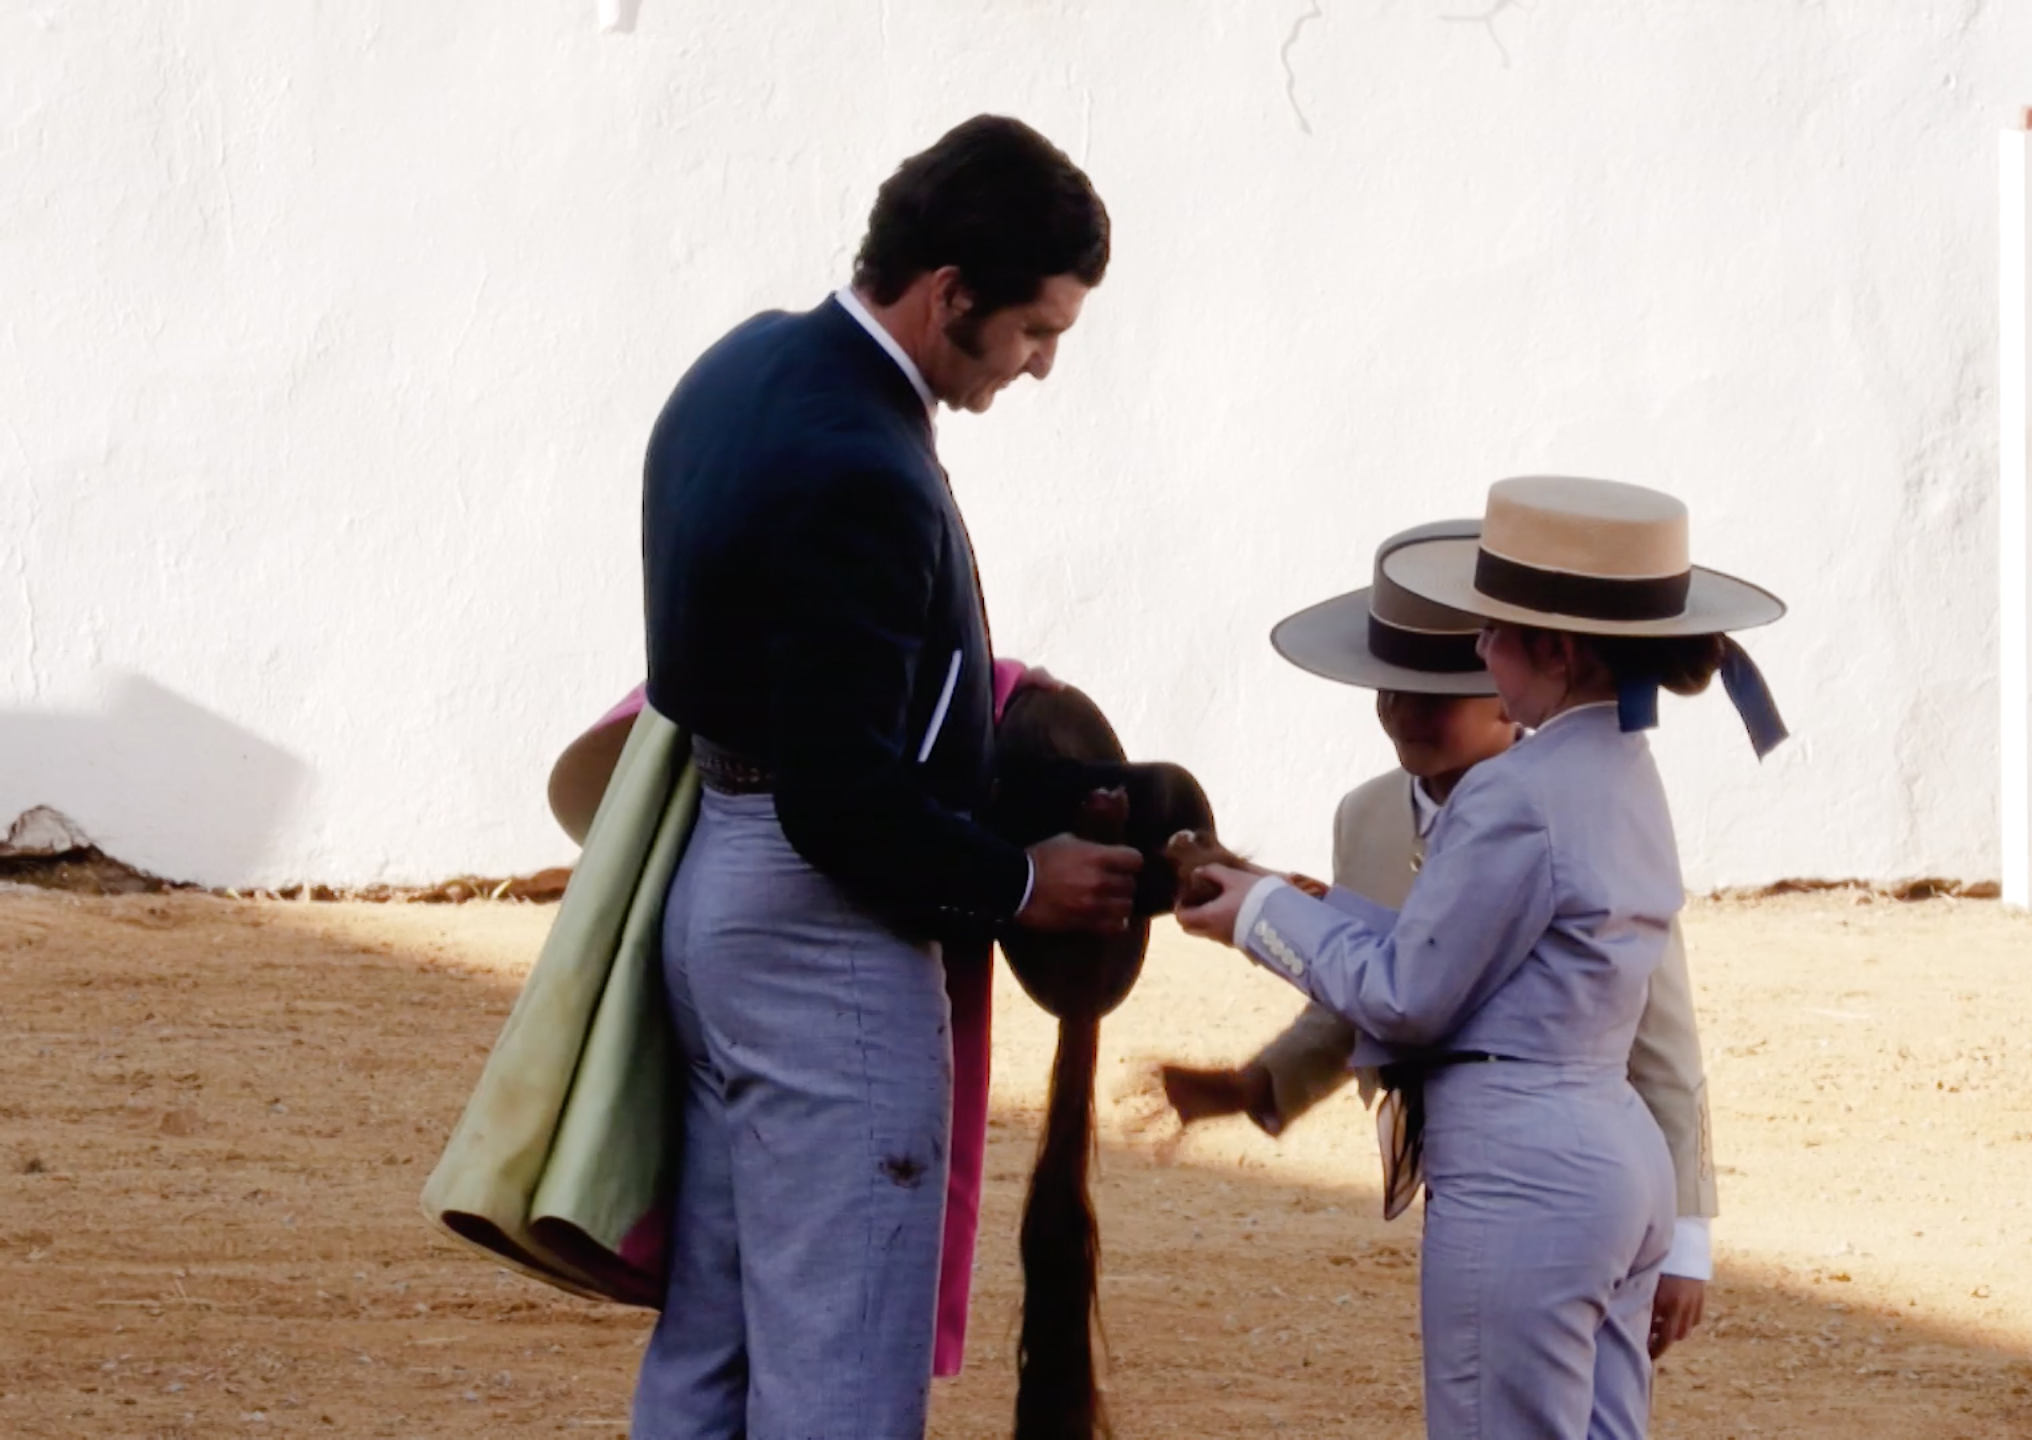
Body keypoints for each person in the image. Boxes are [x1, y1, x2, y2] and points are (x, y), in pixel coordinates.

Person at [631, 115, 1143, 1439]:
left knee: (717, 1350)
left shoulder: (742, 365)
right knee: (840, 1376)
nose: (1038, 369)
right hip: (818, 938)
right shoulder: (866, 467)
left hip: (714, 887)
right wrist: (1017, 880)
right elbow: (842, 795)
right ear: (949, 295)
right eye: (1036, 332)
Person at [1177, 476, 1786, 1440]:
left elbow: (1411, 994)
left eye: (1494, 631)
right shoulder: (1625, 767)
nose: (1479, 649)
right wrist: (1300, 900)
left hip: (1524, 1171)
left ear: (1554, 647)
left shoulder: (1519, 792)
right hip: (1613, 1158)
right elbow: (1471, 959)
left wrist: (1256, 916)